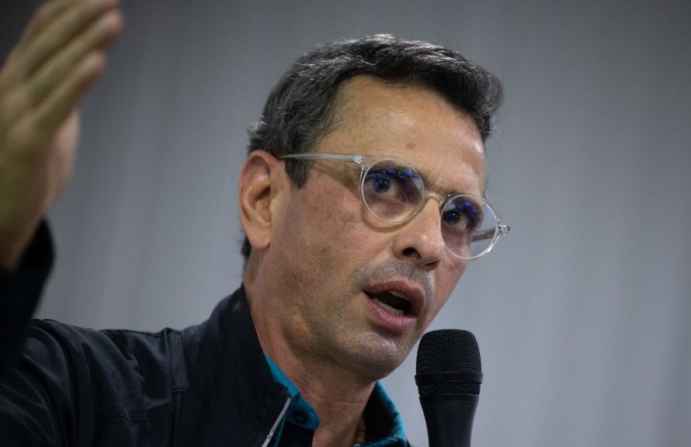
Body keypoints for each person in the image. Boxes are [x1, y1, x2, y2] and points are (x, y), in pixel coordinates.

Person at [0, 0, 508, 446]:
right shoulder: (69, 392)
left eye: (457, 214)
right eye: (385, 184)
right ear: (264, 200)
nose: (429, 244)